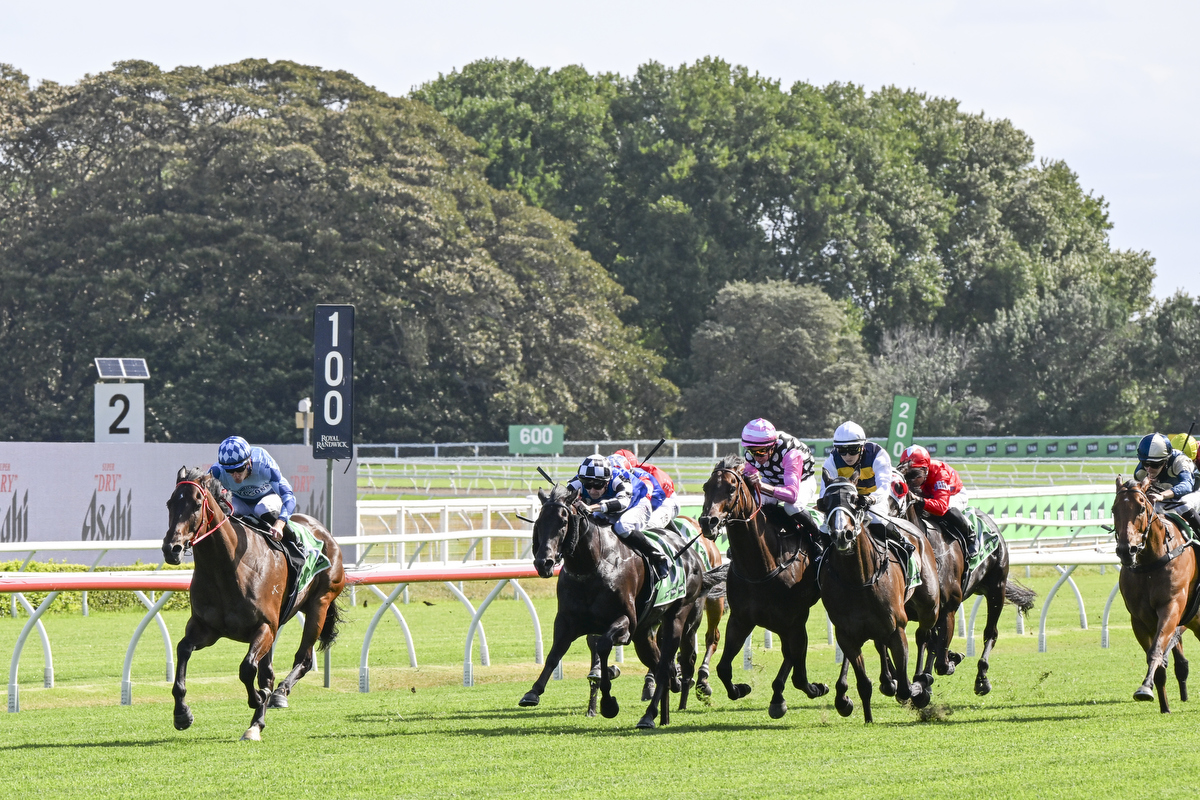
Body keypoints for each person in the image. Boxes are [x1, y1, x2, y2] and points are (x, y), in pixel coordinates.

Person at [569, 455, 671, 579]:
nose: (592, 490)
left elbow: (623, 503)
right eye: (587, 485)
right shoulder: (580, 480)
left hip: (637, 504)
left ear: (607, 481)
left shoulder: (619, 478)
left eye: (597, 485)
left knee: (622, 526)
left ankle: (657, 556)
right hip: (609, 507)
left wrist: (591, 508)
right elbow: (562, 495)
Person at [739, 418, 823, 549]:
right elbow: (748, 476)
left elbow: (791, 495)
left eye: (761, 452)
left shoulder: (790, 454)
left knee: (792, 507)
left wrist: (761, 486)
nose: (756, 457)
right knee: (754, 504)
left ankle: (817, 537)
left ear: (772, 446)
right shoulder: (752, 453)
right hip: (773, 480)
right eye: (752, 451)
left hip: (802, 481)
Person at [210, 436, 297, 543]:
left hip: (268, 498)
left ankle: (295, 542)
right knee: (226, 509)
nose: (235, 475)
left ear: (249, 462)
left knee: (261, 508)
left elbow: (288, 496)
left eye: (239, 469)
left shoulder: (263, 463)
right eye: (230, 471)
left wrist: (279, 524)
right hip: (241, 502)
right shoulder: (217, 471)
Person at [896, 444, 976, 557]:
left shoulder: (940, 473)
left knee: (949, 509)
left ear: (925, 470)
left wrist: (919, 500)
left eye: (915, 474)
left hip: (954, 494)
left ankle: (970, 535)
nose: (911, 480)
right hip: (929, 493)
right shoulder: (917, 474)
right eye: (908, 474)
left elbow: (941, 507)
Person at [818, 421, 893, 518]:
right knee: (825, 527)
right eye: (842, 450)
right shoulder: (832, 460)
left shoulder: (877, 455)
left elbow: (884, 487)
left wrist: (871, 499)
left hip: (875, 499)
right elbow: (825, 491)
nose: (847, 456)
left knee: (877, 520)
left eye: (853, 450)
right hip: (847, 500)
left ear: (862, 448)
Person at [1135, 433, 1200, 534]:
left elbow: (1187, 485)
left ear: (1165, 460)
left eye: (1154, 465)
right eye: (1145, 463)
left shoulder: (1180, 460)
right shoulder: (1146, 463)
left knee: (1183, 505)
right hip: (1170, 495)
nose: (1149, 469)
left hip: (1194, 491)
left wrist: (1161, 496)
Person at [610, 449, 680, 531]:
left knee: (646, 525)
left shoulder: (653, 473)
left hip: (664, 502)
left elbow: (655, 502)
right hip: (642, 502)